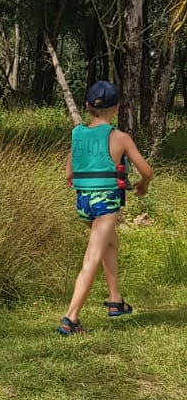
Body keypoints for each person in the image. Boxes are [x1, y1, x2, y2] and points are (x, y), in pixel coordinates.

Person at [57, 79, 153, 336]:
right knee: (92, 256)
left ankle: (115, 301)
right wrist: (143, 184)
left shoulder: (77, 133)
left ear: (88, 107)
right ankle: (70, 319)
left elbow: (68, 172)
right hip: (106, 203)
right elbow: (146, 170)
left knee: (110, 244)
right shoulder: (119, 137)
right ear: (117, 108)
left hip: (83, 203)